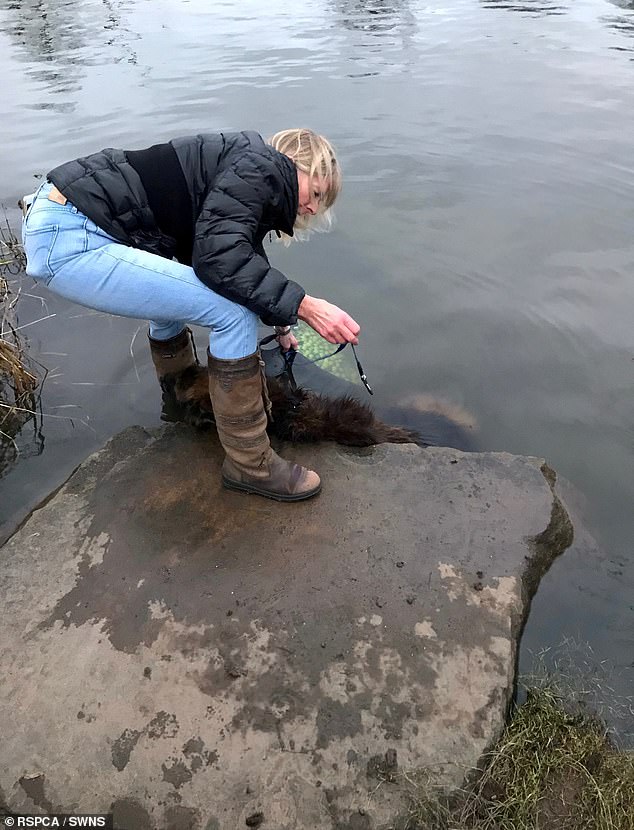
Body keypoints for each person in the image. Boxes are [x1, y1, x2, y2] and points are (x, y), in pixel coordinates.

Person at [21, 128, 360, 502]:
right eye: (315, 193)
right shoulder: (259, 166)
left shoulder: (242, 166)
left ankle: (181, 393)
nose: (313, 209)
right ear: (298, 164)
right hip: (70, 236)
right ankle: (251, 464)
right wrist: (306, 306)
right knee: (233, 314)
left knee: (176, 292)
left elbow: (234, 258)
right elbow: (220, 259)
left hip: (59, 215)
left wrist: (281, 322)